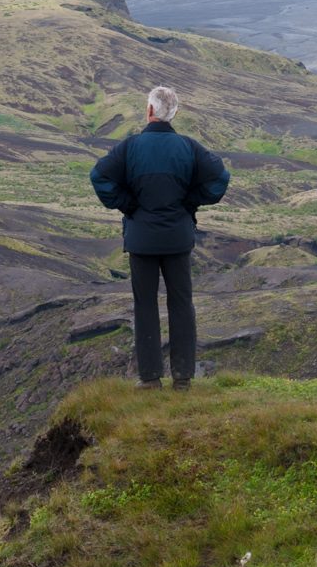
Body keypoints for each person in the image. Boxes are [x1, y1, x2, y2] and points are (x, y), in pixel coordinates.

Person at [89, 85, 230, 390]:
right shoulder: (188, 147)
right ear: (173, 113)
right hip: (178, 238)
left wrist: (128, 204)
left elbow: (98, 176)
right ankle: (183, 378)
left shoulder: (130, 148)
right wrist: (190, 202)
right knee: (181, 304)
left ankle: (150, 379)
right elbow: (220, 177)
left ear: (150, 111)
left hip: (141, 240)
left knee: (145, 305)